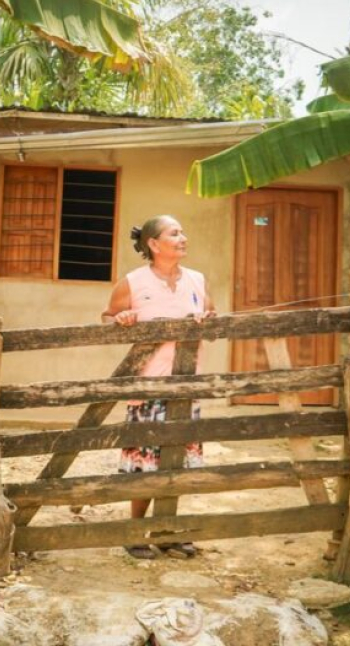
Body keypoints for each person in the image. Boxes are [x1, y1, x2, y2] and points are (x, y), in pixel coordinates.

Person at [101, 215, 215, 560]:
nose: (183, 237)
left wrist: (208, 320)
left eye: (182, 231)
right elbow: (107, 317)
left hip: (185, 383)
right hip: (147, 386)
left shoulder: (196, 280)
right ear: (154, 244)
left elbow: (211, 315)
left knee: (175, 460)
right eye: (174, 233)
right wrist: (120, 319)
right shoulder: (133, 283)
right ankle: (136, 531)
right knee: (143, 462)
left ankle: (166, 531)